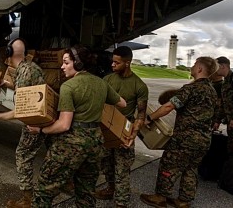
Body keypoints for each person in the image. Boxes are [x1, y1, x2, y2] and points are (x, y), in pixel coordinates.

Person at [28, 45, 126, 207]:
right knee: (86, 191)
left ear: (78, 63)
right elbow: (122, 103)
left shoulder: (69, 86)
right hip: (95, 143)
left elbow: (64, 125)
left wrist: (40, 130)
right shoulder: (101, 83)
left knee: (44, 189)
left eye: (66, 62)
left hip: (71, 144)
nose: (62, 66)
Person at [140, 56, 218, 207]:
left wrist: (150, 117)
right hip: (204, 139)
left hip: (185, 139)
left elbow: (169, 106)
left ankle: (160, 197)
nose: (193, 66)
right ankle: (183, 201)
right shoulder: (212, 91)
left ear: (200, 69)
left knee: (169, 165)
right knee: (191, 168)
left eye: (195, 64)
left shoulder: (191, 88)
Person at [0, 37, 46, 208]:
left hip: (34, 123)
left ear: (8, 54)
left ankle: (27, 200)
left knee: (23, 156)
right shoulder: (30, 67)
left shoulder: (23, 73)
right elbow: (24, 90)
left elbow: (21, 110)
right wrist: (6, 84)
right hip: (43, 119)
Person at [94, 46, 148, 208]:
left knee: (122, 168)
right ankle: (110, 188)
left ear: (127, 63)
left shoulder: (139, 85)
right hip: (105, 128)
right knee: (106, 163)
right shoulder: (108, 79)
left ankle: (121, 202)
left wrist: (133, 134)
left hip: (125, 129)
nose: (112, 65)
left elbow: (141, 115)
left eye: (117, 62)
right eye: (113, 62)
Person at [213, 56, 233, 156]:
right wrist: (217, 120)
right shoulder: (225, 82)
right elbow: (223, 104)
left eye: (215, 67)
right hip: (230, 124)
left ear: (222, 66)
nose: (214, 70)